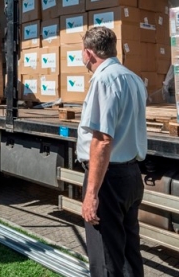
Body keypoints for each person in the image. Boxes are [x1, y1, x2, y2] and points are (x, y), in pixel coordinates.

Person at [76, 26, 147, 277]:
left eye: (82, 53)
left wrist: (91, 193)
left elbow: (102, 140)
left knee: (106, 258)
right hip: (130, 175)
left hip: (108, 179)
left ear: (89, 53)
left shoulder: (103, 80)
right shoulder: (133, 78)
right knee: (129, 253)